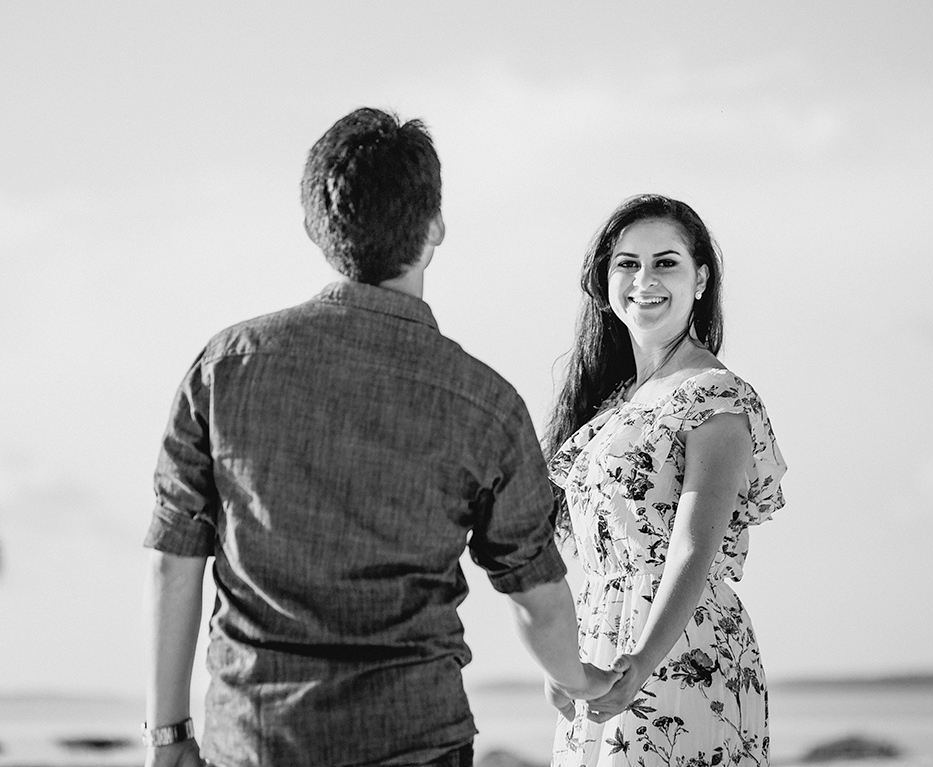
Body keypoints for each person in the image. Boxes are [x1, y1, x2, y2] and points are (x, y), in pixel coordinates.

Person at [142, 107, 617, 767]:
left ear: (315, 228)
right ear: (434, 227)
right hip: (416, 739)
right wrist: (579, 679)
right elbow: (536, 595)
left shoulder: (224, 368)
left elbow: (173, 565)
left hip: (257, 739)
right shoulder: (486, 402)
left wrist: (167, 738)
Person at [543, 195, 787, 767]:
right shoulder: (614, 403)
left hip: (677, 652)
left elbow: (693, 549)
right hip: (602, 650)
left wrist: (640, 666)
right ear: (605, 280)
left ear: (700, 279)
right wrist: (563, 662)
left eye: (666, 263)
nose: (644, 279)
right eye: (627, 263)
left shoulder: (715, 395)